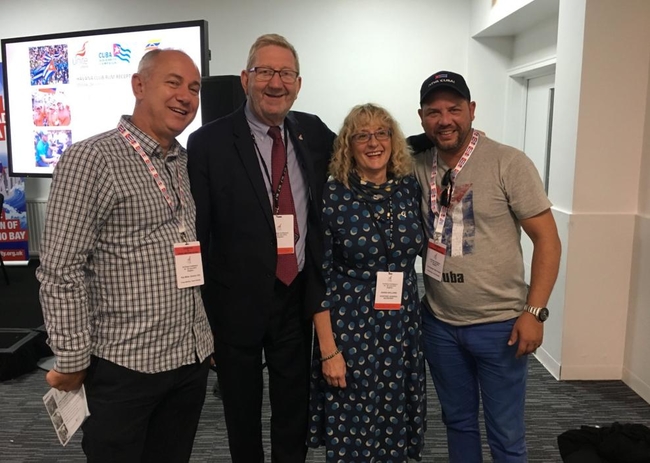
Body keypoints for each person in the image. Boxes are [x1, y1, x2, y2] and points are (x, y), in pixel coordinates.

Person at [37, 49, 213, 463]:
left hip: (187, 359)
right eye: (173, 83)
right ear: (139, 85)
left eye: (194, 87)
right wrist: (73, 358)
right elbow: (61, 271)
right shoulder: (91, 159)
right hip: (125, 366)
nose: (185, 96)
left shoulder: (183, 161)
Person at [187, 34, 335, 463]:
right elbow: (198, 233)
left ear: (299, 83)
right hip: (233, 305)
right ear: (245, 78)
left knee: (294, 410)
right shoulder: (209, 143)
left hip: (295, 298)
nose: (276, 83)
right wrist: (202, 315)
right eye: (265, 72)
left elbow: (366, 144)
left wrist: (428, 144)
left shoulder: (313, 132)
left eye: (285, 73)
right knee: (241, 414)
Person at [411, 70, 561, 463]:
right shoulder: (415, 165)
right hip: (440, 322)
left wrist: (535, 311)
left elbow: (548, 240)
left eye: (454, 109)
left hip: (500, 325)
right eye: (433, 111)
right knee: (457, 422)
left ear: (472, 110)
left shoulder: (508, 162)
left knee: (506, 430)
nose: (445, 119)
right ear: (422, 117)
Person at [307, 103, 426, 462]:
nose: (373, 143)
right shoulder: (333, 196)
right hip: (351, 330)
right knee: (354, 427)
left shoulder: (408, 188)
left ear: (394, 139)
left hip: (402, 327)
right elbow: (317, 278)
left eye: (382, 133)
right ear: (348, 144)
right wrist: (329, 351)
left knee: (396, 422)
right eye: (362, 135)